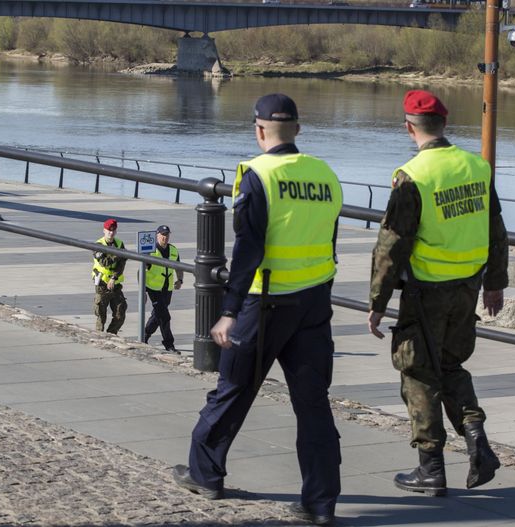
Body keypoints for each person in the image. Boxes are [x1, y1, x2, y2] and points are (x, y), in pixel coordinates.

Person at [172, 93, 343, 526]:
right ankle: (320, 503)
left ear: (259, 130)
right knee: (313, 404)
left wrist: (228, 310)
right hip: (314, 302)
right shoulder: (325, 174)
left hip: (264, 304)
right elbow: (329, 239)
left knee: (233, 387)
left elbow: (248, 248)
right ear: (298, 129)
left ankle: (205, 473)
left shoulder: (258, 175)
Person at [367, 90, 509, 497]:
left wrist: (377, 303)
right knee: (449, 364)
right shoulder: (476, 167)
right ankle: (475, 434)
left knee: (417, 371)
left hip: (426, 291)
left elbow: (392, 245)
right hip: (467, 287)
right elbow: (496, 230)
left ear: (408, 128)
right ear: (445, 124)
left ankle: (430, 468)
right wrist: (495, 283)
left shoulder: (413, 176)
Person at [144, 224, 185, 353]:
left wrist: (180, 280)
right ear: (157, 235)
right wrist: (142, 291)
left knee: (158, 314)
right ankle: (169, 344)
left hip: (167, 288)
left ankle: (144, 335)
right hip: (153, 288)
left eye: (167, 235)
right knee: (165, 316)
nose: (165, 237)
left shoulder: (173, 250)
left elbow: (179, 267)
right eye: (162, 235)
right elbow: (142, 270)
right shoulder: (151, 251)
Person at [92, 218, 128, 334]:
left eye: (113, 230)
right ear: (104, 230)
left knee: (120, 313)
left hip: (115, 283)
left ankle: (111, 335)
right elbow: (105, 262)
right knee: (101, 315)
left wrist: (114, 278)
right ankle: (99, 337)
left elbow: (122, 264)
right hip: (102, 284)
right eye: (109, 230)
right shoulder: (98, 244)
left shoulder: (119, 243)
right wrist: (118, 254)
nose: (111, 233)